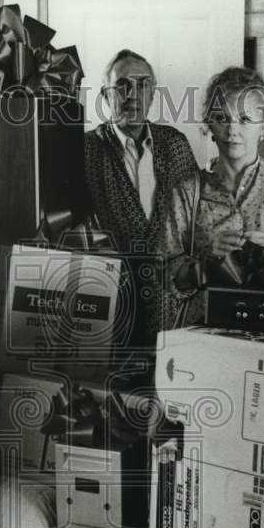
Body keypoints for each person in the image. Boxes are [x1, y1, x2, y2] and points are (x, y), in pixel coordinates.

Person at [161, 66, 264, 327]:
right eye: (222, 118)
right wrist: (206, 262)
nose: (232, 130)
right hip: (203, 330)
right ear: (208, 125)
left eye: (246, 120)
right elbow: (164, 276)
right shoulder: (187, 192)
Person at [83, 49, 199, 338]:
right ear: (105, 95)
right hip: (109, 294)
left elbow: (198, 217)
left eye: (143, 84)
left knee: (166, 377)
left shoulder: (175, 145)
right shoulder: (85, 150)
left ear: (153, 94)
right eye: (122, 85)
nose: (133, 94)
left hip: (170, 298)